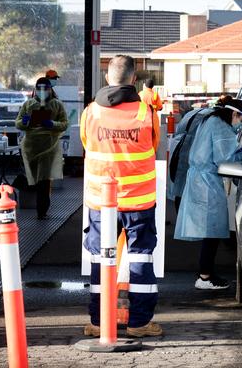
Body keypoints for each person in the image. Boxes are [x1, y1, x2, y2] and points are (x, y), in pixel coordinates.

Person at [80, 55, 162, 338]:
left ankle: (97, 321)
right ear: (133, 80)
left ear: (107, 78)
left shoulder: (91, 112)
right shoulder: (145, 113)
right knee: (141, 259)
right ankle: (139, 323)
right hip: (138, 200)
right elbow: (154, 145)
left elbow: (85, 143)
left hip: (101, 201)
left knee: (101, 259)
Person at [174, 95, 242, 290]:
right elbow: (225, 159)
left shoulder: (210, 119)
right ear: (234, 113)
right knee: (212, 232)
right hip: (207, 183)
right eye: (241, 120)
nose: (240, 125)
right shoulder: (221, 127)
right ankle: (205, 276)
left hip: (201, 180)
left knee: (211, 232)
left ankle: (205, 273)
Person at [15, 78, 68, 219]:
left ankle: (42, 211)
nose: (43, 92)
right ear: (35, 89)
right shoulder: (28, 104)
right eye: (40, 89)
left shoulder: (57, 105)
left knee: (44, 181)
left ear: (51, 89)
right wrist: (24, 122)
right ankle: (30, 203)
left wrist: (52, 124)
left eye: (46, 89)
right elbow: (18, 123)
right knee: (31, 179)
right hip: (30, 147)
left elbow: (64, 124)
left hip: (48, 148)